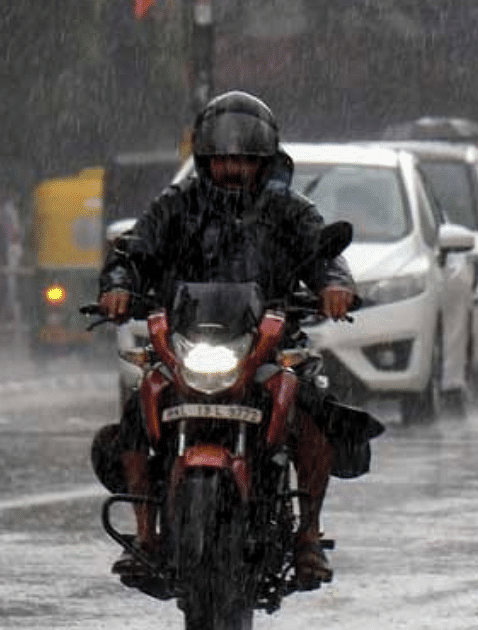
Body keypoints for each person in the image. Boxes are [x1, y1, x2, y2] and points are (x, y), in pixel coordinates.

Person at [97, 90, 359, 588]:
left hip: (267, 345)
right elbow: (134, 250)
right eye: (222, 159)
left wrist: (334, 286)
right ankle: (146, 533)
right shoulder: (176, 204)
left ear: (263, 162)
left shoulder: (289, 209)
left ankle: (307, 533)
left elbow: (325, 255)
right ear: (204, 160)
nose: (232, 168)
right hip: (186, 341)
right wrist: (117, 286)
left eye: (244, 159)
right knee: (139, 406)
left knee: (312, 408)